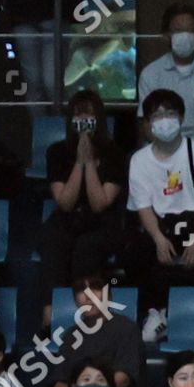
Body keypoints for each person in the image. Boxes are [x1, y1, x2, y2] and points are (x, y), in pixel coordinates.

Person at [124, 88, 194, 337]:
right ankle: (155, 314)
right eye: (156, 116)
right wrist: (158, 239)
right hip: (162, 227)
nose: (164, 120)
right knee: (134, 253)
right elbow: (143, 207)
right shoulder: (139, 160)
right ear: (148, 124)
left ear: (181, 118)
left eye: (169, 113)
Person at [35, 89, 127, 313]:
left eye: (89, 115)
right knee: (53, 241)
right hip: (68, 218)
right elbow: (64, 202)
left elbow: (100, 203)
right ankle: (51, 313)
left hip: (103, 222)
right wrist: (79, 162)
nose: (83, 121)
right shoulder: (57, 152)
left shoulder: (114, 153)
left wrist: (90, 163)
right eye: (78, 116)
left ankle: (89, 311)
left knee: (86, 247)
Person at [40, 276, 149, 387]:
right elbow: (62, 379)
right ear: (75, 300)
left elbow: (123, 380)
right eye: (81, 290)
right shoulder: (72, 335)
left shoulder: (127, 329)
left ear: (108, 296)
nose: (88, 295)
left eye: (96, 288)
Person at [136, 4, 194, 149]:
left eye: (191, 30)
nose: (185, 35)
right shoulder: (150, 73)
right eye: (178, 30)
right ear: (166, 35)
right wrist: (166, 151)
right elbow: (146, 121)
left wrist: (192, 151)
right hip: (161, 147)